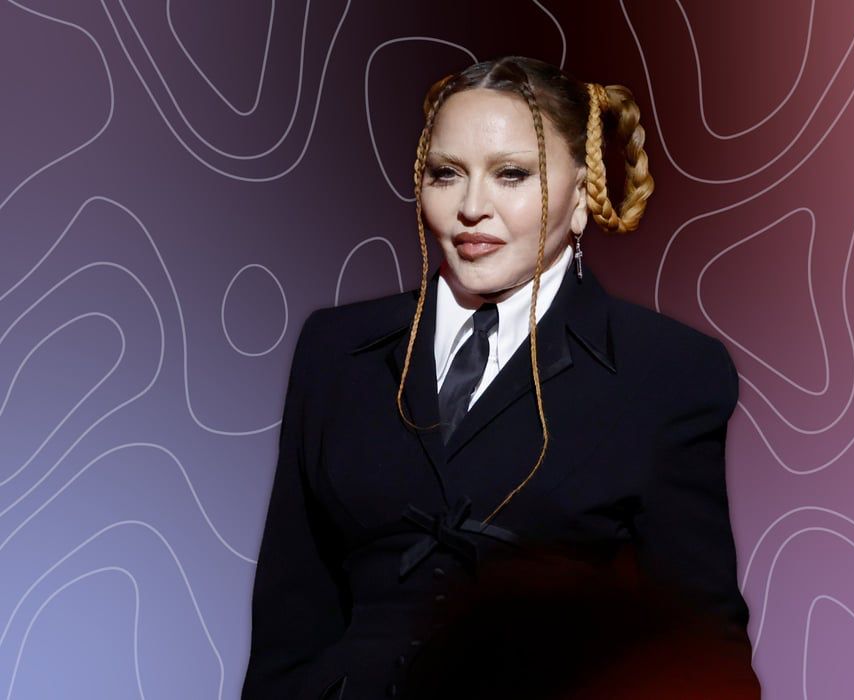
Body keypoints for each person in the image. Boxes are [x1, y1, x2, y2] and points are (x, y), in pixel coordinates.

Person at [240, 55, 757, 699]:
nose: (471, 207)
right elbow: (290, 620)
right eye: (446, 173)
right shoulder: (336, 351)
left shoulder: (665, 371)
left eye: (512, 174)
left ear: (581, 195)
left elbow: (700, 645)